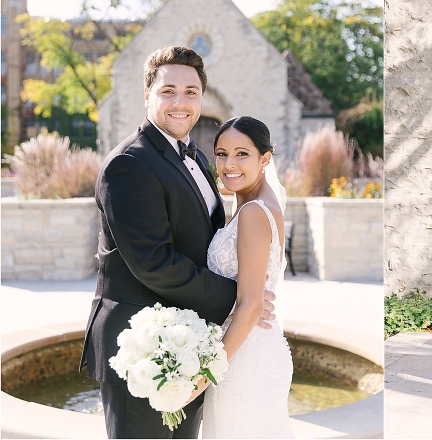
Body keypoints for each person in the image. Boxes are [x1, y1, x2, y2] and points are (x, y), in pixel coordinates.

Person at [80, 46, 275, 438]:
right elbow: (154, 262)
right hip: (141, 348)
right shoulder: (129, 165)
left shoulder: (198, 158)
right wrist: (237, 298)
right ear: (148, 95)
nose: (181, 102)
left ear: (202, 97)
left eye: (191, 92)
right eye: (169, 91)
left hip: (192, 344)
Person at [188, 116, 294, 438]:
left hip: (245, 359)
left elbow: (249, 306)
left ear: (265, 159)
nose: (228, 164)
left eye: (241, 154)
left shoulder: (252, 213)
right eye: (221, 154)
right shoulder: (254, 204)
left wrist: (204, 375)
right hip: (247, 348)